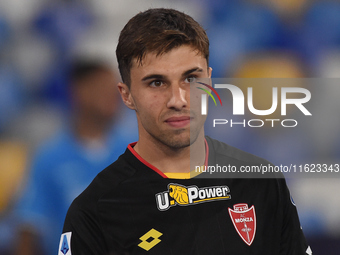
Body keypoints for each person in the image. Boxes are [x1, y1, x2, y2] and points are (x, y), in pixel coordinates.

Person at [59, 8, 312, 255]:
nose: (178, 99)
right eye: (157, 83)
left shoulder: (263, 184)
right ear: (127, 95)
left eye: (191, 78)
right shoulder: (94, 211)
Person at [14, 59, 136, 255]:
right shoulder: (49, 158)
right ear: (80, 92)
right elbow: (29, 225)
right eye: (103, 88)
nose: (114, 96)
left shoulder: (136, 149)